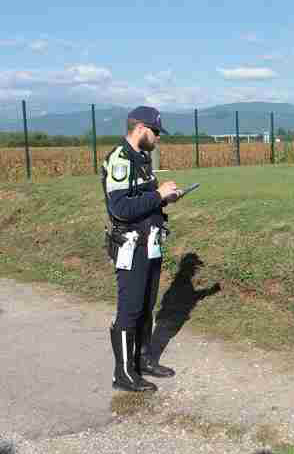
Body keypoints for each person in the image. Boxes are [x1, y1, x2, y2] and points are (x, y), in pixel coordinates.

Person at [101, 106, 179, 392]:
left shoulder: (142, 158)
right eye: (155, 132)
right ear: (141, 129)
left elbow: (145, 199)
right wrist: (157, 195)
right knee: (130, 308)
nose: (158, 137)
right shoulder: (120, 159)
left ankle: (143, 360)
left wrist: (165, 198)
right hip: (131, 246)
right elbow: (120, 208)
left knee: (146, 305)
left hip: (151, 242)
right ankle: (123, 373)